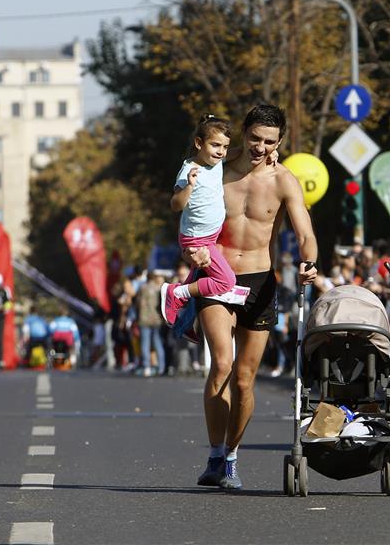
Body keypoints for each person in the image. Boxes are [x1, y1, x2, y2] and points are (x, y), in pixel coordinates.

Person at [182, 104, 318, 490]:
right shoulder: (216, 171)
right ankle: (212, 453)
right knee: (222, 363)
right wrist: (191, 251)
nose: (260, 147)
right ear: (243, 134)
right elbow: (187, 220)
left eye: (269, 141)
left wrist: (309, 261)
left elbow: (305, 232)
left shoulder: (284, 180)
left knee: (244, 380)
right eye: (255, 138)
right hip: (217, 276)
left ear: (280, 142)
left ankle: (230, 457)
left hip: (259, 282)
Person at [160, 114, 238, 326]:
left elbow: (236, 155)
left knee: (197, 280)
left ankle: (183, 321)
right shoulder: (189, 171)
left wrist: (267, 153)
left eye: (224, 146)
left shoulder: (217, 160)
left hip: (209, 235)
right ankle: (177, 293)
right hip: (197, 239)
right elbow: (175, 205)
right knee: (226, 281)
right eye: (215, 145)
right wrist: (190, 186)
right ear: (198, 143)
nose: (221, 152)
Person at [136, 272, 165, 377]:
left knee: (145, 343)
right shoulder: (158, 289)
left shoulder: (142, 288)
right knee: (158, 342)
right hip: (156, 319)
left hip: (144, 319)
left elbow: (138, 303)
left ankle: (146, 367)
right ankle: (162, 367)